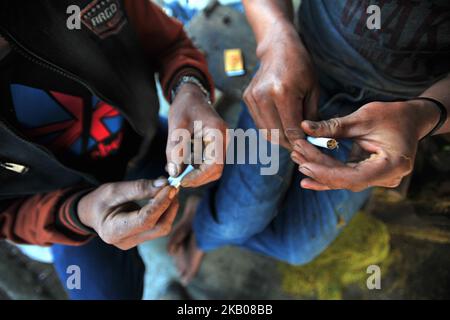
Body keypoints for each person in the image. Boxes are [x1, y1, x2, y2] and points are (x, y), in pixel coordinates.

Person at [169, 0, 450, 284]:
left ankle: (206, 221)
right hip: (294, 73)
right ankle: (207, 230)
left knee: (296, 248)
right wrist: (274, 39)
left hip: (388, 118)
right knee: (233, 222)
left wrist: (423, 116)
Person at [0, 0, 226, 299]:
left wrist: (189, 87)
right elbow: (8, 214)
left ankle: (201, 224)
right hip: (69, 204)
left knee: (242, 159)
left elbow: (170, 43)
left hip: (149, 145)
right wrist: (81, 213)